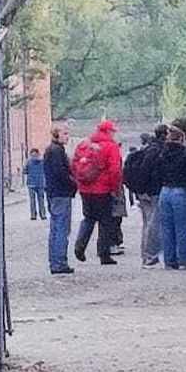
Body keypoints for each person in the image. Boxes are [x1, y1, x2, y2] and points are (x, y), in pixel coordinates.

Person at [71, 118, 123, 266]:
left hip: (85, 189)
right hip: (103, 189)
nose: (114, 134)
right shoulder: (110, 146)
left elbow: (74, 165)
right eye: (112, 131)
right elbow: (115, 170)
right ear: (107, 131)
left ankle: (80, 246)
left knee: (88, 218)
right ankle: (104, 254)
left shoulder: (83, 144)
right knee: (105, 222)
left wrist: (79, 183)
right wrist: (116, 189)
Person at [154, 125, 186, 270]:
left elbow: (157, 171)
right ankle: (184, 260)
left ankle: (169, 260)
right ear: (182, 138)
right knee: (183, 227)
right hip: (180, 190)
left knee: (166, 228)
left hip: (164, 191)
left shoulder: (162, 152)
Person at [43, 122, 77, 275]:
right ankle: (59, 262)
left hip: (55, 193)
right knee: (61, 229)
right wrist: (72, 184)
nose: (67, 136)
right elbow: (60, 174)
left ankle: (56, 261)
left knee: (56, 228)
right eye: (64, 133)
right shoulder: (56, 151)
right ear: (56, 134)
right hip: (60, 194)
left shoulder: (53, 150)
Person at [127, 130, 164, 267]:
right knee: (153, 224)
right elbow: (147, 171)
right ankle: (150, 255)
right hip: (153, 191)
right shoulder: (156, 152)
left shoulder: (145, 151)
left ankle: (146, 255)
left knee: (147, 223)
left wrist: (139, 190)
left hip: (144, 191)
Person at [25, 147, 47, 221]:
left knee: (32, 200)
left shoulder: (28, 162)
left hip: (31, 183)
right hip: (40, 183)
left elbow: (25, 171)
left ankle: (33, 215)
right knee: (41, 200)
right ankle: (43, 214)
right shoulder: (42, 161)